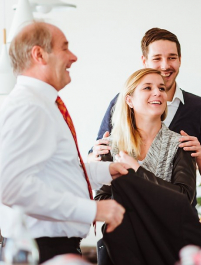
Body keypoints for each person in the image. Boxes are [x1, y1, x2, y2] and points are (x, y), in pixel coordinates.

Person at [0, 22, 129, 264]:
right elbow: (12, 187)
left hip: (53, 245)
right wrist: (93, 210)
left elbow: (55, 171)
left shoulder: (43, 104)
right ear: (39, 54)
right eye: (65, 48)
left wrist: (104, 170)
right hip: (40, 248)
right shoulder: (29, 106)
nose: (74, 57)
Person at [97, 68, 201, 265]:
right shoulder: (110, 145)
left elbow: (184, 197)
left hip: (167, 247)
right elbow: (101, 199)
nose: (158, 92)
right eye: (147, 88)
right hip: (120, 250)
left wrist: (137, 171)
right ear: (129, 100)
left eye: (161, 88)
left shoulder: (181, 144)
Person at [87, 28, 201, 188]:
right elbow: (96, 160)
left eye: (172, 58)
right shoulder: (121, 103)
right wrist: (93, 157)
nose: (165, 65)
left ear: (180, 60)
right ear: (144, 61)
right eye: (157, 58)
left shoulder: (199, 108)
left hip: (176, 210)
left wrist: (199, 153)